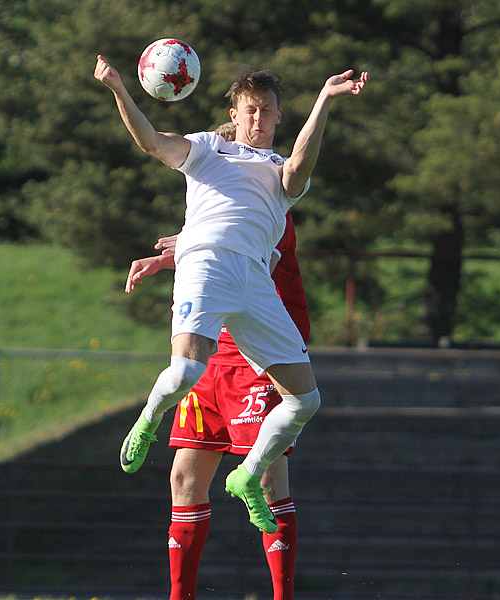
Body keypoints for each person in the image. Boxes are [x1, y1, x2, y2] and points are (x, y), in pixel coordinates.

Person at [95, 54, 368, 534]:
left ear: (279, 115)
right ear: (236, 115)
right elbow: (151, 141)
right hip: (206, 263)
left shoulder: (281, 173)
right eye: (251, 110)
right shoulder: (205, 150)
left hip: (256, 281)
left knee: (306, 400)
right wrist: (119, 89)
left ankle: (246, 476)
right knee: (186, 369)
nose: (259, 119)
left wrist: (325, 97)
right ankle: (147, 420)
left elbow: (303, 164)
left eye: (267, 110)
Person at [125, 121, 308, 600]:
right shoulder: (215, 203)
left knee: (268, 478)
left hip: (254, 356)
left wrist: (180, 248)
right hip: (211, 355)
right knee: (184, 477)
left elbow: (245, 253)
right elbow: (212, 245)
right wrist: (170, 257)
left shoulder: (268, 196)